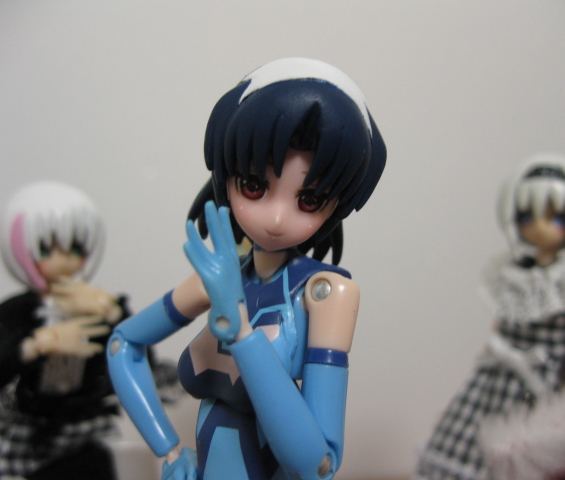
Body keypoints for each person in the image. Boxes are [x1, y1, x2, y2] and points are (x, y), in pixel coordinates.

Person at [107, 57, 386, 480]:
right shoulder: (217, 280)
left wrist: (240, 333)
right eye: (254, 186)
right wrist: (169, 451)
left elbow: (319, 464)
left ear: (336, 206)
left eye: (309, 200)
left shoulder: (325, 295)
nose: (276, 219)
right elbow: (122, 344)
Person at [415, 154, 565, 480]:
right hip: (497, 379)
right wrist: (487, 360)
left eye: (556, 217)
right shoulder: (510, 275)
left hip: (544, 384)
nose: (539, 227)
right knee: (471, 435)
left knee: (532, 452)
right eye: (526, 216)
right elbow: (499, 331)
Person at [0, 180, 129, 480]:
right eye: (46, 249)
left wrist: (112, 314)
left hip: (84, 425)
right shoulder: (15, 314)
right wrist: (34, 345)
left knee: (101, 462)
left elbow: (138, 358)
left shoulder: (98, 307)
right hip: (31, 428)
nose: (64, 260)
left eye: (76, 247)